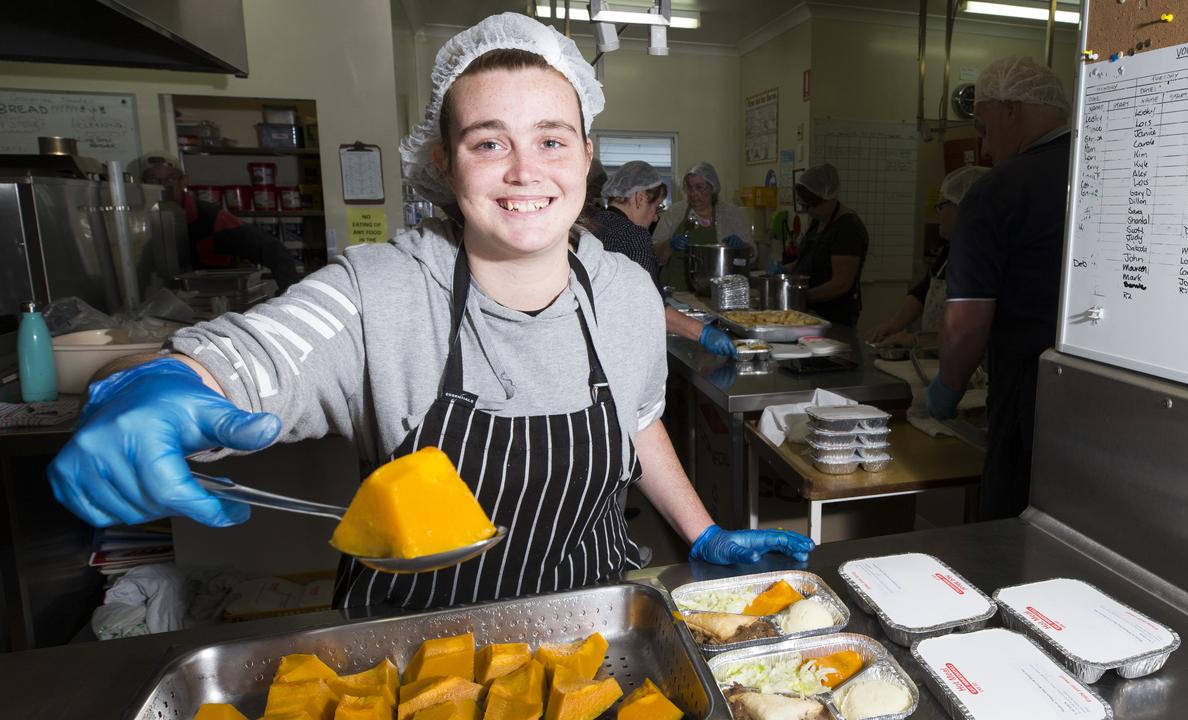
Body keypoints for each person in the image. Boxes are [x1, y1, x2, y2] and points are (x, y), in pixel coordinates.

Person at [47, 14, 811, 611]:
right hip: (409, 647)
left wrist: (702, 530)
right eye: (488, 143)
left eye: (551, 139)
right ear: (443, 163)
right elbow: (259, 353)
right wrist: (171, 384)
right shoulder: (379, 290)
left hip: (596, 624)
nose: (525, 171)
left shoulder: (624, 292)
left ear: (586, 155)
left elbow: (638, 420)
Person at [926, 56, 1072, 520]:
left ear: (1013, 110)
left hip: (1029, 391)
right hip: (1102, 397)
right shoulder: (1107, 170)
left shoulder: (997, 192)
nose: (985, 149)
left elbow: (967, 322)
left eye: (985, 129)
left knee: (1012, 524)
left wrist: (947, 389)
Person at [591, 161, 736, 358]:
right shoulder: (634, 237)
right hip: (622, 348)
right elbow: (652, 309)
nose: (655, 218)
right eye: (656, 207)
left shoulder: (596, 223)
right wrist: (702, 333)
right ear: (639, 198)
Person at [139, 156, 300, 293]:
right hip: (165, 303)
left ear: (183, 181)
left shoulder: (210, 218)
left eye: (170, 179)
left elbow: (274, 251)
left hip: (216, 302)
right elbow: (142, 273)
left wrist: (289, 298)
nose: (162, 186)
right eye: (153, 180)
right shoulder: (138, 222)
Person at [868, 165, 990, 347]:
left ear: (963, 206)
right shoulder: (951, 249)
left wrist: (913, 340)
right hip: (933, 356)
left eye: (941, 205)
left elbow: (968, 333)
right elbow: (923, 291)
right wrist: (893, 326)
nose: (937, 212)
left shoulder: (984, 259)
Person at [778, 164, 869, 328]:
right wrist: (786, 269)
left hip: (834, 316)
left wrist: (801, 297)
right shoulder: (818, 222)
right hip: (809, 312)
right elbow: (811, 260)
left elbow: (841, 283)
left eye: (810, 206)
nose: (807, 211)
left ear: (829, 198)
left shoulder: (848, 229)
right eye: (803, 205)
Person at [652, 162, 754, 291]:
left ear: (713, 187)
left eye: (700, 188)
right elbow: (653, 252)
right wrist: (668, 245)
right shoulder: (675, 212)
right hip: (678, 290)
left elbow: (752, 255)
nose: (693, 193)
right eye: (689, 187)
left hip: (721, 291)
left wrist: (742, 248)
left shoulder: (732, 214)